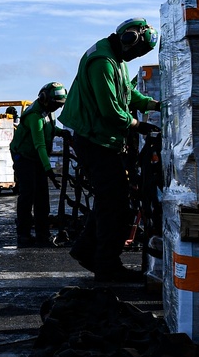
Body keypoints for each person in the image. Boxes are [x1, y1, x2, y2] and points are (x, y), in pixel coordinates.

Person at [58, 18, 162, 283]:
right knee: (114, 204)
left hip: (103, 140)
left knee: (110, 200)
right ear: (130, 39)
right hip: (95, 140)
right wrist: (139, 125)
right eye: (138, 51)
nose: (136, 57)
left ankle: (86, 251)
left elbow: (127, 94)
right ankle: (106, 264)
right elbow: (111, 111)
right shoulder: (102, 62)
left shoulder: (117, 60)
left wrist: (155, 105)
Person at [9, 82, 68, 247]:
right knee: (28, 194)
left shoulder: (48, 112)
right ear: (44, 98)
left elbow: (49, 128)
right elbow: (39, 144)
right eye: (55, 104)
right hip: (25, 157)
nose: (56, 108)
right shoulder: (34, 115)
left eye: (59, 106)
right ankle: (24, 234)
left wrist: (60, 132)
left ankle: (43, 233)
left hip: (36, 157)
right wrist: (48, 169)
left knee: (42, 196)